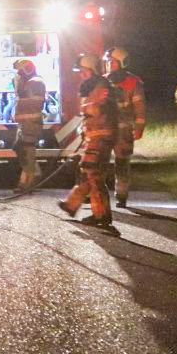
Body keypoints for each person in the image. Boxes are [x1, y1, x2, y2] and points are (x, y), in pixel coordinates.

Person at [58, 53, 118, 227]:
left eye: (83, 71)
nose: (80, 74)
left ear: (91, 69)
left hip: (101, 137)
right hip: (94, 136)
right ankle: (72, 205)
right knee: (87, 172)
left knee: (93, 175)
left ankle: (102, 216)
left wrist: (85, 108)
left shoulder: (101, 86)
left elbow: (96, 109)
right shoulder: (93, 85)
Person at [104, 47, 146, 207]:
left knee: (122, 162)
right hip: (105, 128)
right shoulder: (103, 80)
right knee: (100, 161)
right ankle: (95, 192)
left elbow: (139, 106)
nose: (109, 64)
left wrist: (139, 127)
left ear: (121, 63)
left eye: (112, 62)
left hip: (123, 130)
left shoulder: (133, 82)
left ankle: (121, 195)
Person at [13, 59, 47, 191]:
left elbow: (31, 101)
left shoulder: (35, 83)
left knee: (27, 151)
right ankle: (33, 176)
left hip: (31, 123)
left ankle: (28, 182)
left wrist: (19, 85)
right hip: (25, 122)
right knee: (21, 149)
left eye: (20, 71)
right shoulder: (30, 82)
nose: (19, 74)